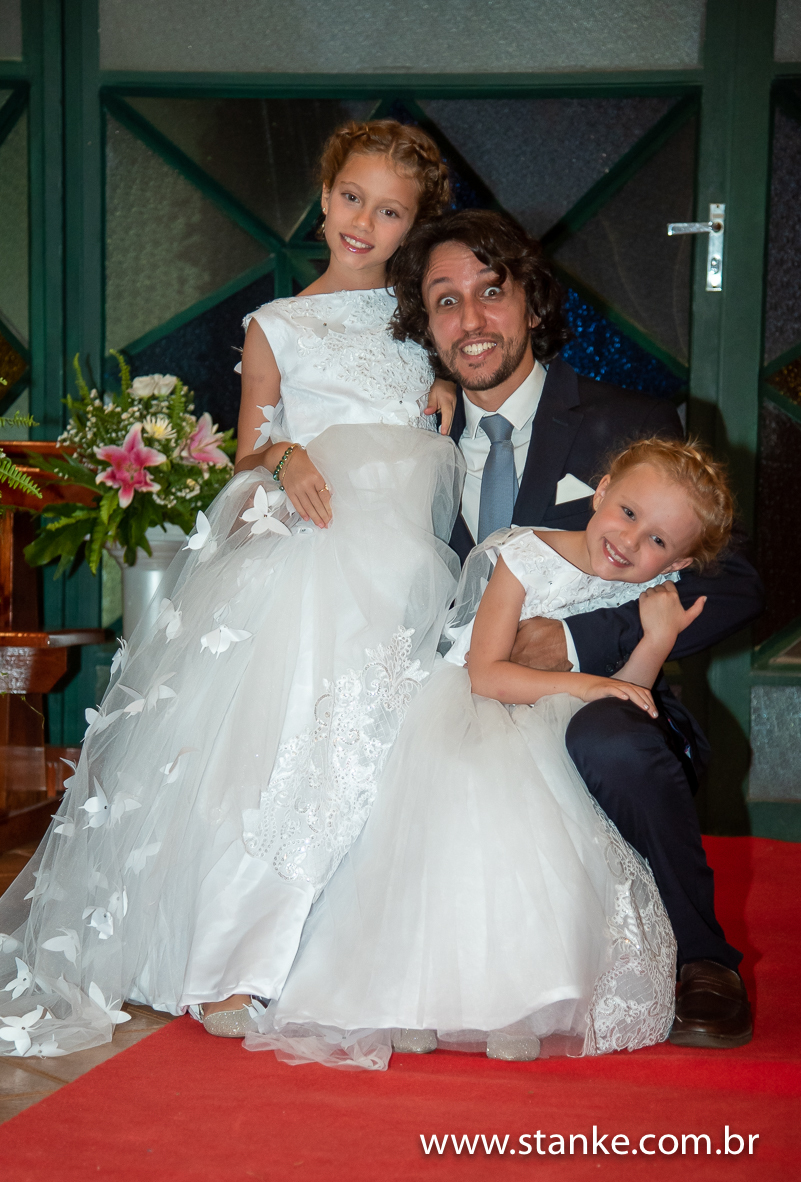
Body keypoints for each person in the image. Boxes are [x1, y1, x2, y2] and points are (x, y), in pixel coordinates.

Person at [0, 119, 465, 1057]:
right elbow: (249, 451)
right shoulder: (277, 325)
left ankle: (348, 958)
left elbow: (449, 410)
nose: (361, 223)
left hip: (405, 570)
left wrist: (445, 391)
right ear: (322, 195)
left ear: (412, 226)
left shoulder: (424, 322)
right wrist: (285, 452)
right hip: (310, 560)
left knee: (378, 755)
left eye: (388, 212)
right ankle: (232, 961)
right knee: (281, 747)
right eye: (349, 200)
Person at [386, 210, 761, 1049]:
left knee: (613, 736)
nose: (470, 320)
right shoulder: (412, 433)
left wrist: (575, 644)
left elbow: (731, 583)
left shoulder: (626, 418)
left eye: (490, 291)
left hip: (589, 702)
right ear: (425, 323)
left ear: (529, 300)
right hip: (452, 700)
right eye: (444, 301)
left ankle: (702, 957)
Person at [245, 436, 731, 1068]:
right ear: (602, 489)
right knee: (452, 844)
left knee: (535, 862)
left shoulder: (638, 590)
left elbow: (627, 700)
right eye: (629, 514)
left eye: (659, 542)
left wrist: (658, 638)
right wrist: (583, 683)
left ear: (678, 560)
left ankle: (515, 1000)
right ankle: (413, 999)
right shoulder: (524, 555)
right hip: (471, 715)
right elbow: (485, 674)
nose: (631, 543)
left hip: (556, 727)